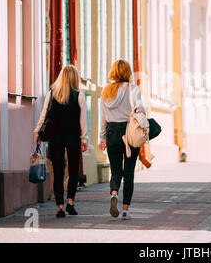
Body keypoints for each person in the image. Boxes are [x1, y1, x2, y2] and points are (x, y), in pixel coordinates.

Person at [34, 65, 88, 218]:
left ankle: (59, 207)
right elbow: (83, 120)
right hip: (73, 137)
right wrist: (84, 138)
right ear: (74, 78)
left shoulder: (51, 94)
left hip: (55, 138)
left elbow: (44, 114)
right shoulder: (79, 96)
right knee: (73, 171)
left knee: (57, 172)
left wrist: (38, 132)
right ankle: (70, 202)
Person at [98, 59, 145, 220]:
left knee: (115, 170)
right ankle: (125, 211)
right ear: (127, 72)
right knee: (129, 172)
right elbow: (139, 108)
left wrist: (102, 137)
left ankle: (114, 193)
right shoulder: (132, 89)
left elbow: (103, 117)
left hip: (111, 132)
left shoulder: (106, 91)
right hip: (129, 133)